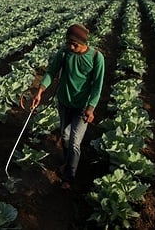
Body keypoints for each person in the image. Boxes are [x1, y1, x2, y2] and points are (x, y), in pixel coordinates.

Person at [24, 23, 105, 190]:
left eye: (75, 44)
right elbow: (51, 73)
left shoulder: (97, 58)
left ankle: (69, 177)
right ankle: (68, 163)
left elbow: (97, 86)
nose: (71, 46)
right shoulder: (64, 53)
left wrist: (91, 108)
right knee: (66, 137)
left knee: (75, 141)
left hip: (82, 106)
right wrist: (40, 91)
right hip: (64, 102)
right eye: (69, 43)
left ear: (84, 43)